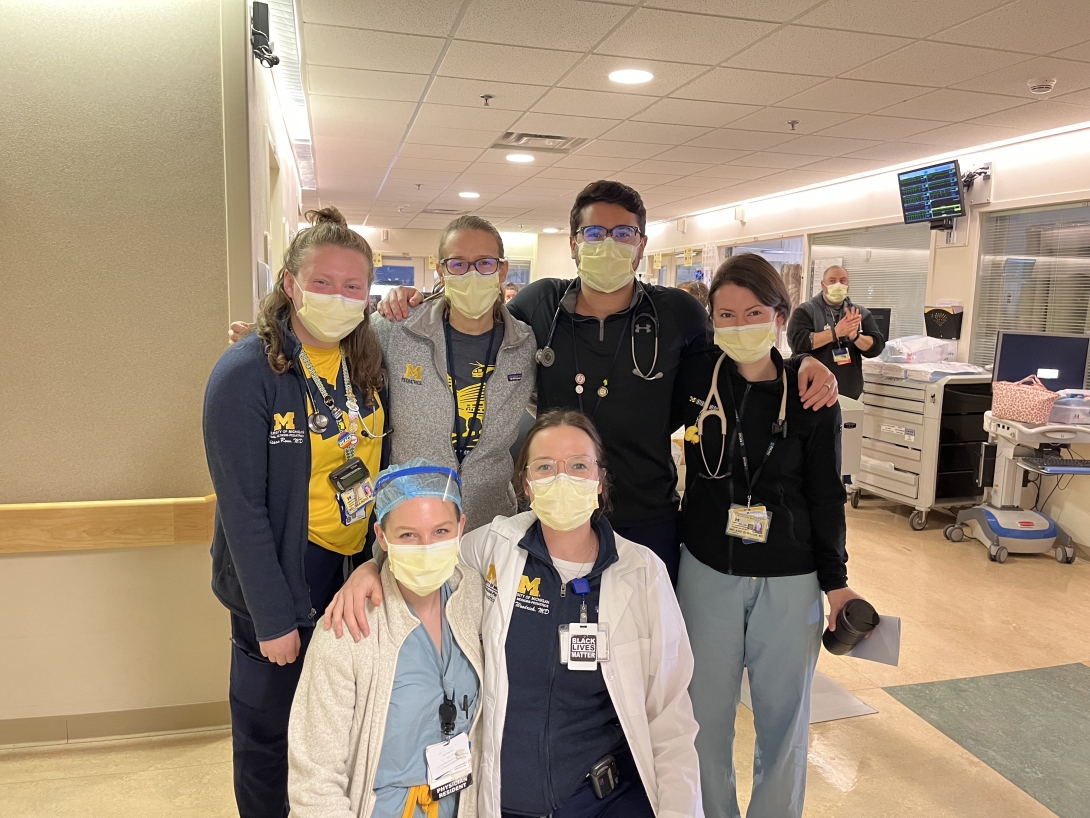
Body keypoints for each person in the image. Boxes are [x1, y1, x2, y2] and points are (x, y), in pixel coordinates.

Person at [380, 180, 840, 584]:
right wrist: (419, 300)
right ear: (574, 243)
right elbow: (476, 319)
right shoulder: (543, 304)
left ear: (641, 244)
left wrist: (797, 361)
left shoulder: (677, 313)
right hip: (556, 510)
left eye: (622, 234)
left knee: (640, 650)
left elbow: (737, 361)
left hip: (646, 514)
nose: (608, 245)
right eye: (594, 233)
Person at [327, 410, 704, 818]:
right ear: (526, 484)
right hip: (505, 800)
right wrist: (370, 566)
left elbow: (670, 722)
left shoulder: (642, 572)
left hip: (602, 800)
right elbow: (428, 553)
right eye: (545, 467)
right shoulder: (496, 545)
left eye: (578, 465)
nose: (562, 479)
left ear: (599, 478)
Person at [203, 206, 389, 818]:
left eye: (353, 286)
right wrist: (273, 617)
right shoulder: (245, 373)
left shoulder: (366, 362)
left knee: (336, 729)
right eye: (322, 282)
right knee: (269, 739)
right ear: (289, 284)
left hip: (350, 569)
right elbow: (242, 509)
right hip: (281, 575)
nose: (338, 297)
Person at [673, 253, 862, 818]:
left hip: (790, 578)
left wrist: (838, 584)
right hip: (707, 572)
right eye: (725, 315)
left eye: (753, 311)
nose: (739, 325)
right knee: (702, 723)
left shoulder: (811, 396)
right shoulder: (695, 383)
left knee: (785, 724)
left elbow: (827, 494)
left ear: (780, 313)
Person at [288, 460, 483, 818]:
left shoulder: (476, 601)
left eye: (441, 531)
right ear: (381, 537)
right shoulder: (348, 629)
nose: (426, 547)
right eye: (408, 535)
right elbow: (314, 784)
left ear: (461, 528)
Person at [372, 216, 537, 531]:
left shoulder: (525, 344)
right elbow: (328, 343)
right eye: (458, 264)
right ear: (441, 270)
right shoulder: (398, 329)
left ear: (502, 270)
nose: (472, 274)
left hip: (491, 523)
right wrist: (263, 333)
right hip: (412, 522)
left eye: (485, 263)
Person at [786, 264, 885, 400]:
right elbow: (797, 342)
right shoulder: (805, 311)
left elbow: (877, 346)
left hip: (849, 393)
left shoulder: (859, 313)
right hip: (812, 392)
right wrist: (835, 333)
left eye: (842, 280)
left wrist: (855, 337)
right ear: (823, 284)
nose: (838, 284)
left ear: (848, 284)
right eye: (832, 280)